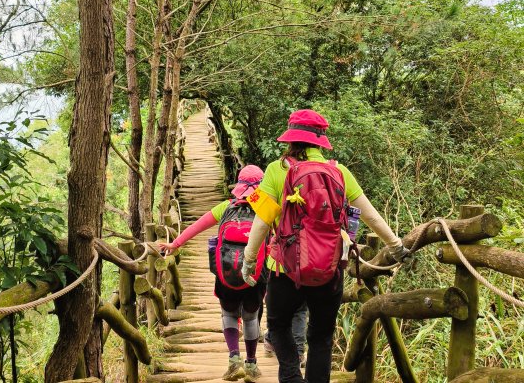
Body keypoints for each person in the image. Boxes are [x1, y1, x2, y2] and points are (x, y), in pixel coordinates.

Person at [241, 109, 412, 383]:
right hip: (329, 267)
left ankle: (290, 375)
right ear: (321, 140)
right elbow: (370, 214)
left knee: (277, 326)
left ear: (291, 139)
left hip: (284, 268)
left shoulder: (276, 170)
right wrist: (396, 245)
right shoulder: (339, 172)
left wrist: (249, 260)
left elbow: (262, 222)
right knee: (321, 335)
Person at [160, 165, 267, 383]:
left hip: (226, 272)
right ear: (260, 186)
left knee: (228, 315)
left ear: (238, 185)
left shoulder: (226, 207)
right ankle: (252, 364)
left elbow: (198, 226)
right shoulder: (265, 208)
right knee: (250, 317)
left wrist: (175, 244)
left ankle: (233, 359)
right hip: (255, 274)